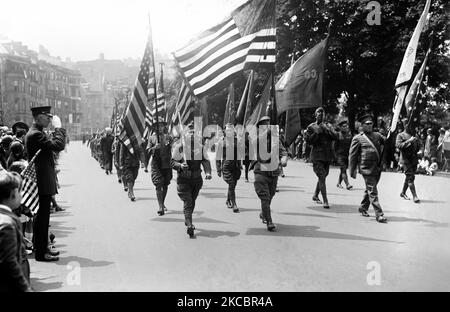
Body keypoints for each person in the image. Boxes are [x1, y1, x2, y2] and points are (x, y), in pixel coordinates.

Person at [25, 106, 66, 261]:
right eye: (47, 116)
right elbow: (58, 146)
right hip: (41, 181)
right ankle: (41, 253)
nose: (49, 119)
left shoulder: (38, 133)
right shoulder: (35, 134)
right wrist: (59, 128)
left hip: (43, 179)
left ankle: (42, 248)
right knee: (41, 219)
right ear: (39, 116)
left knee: (43, 218)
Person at [171, 121, 212, 238]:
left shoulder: (200, 147)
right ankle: (190, 225)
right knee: (188, 202)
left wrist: (208, 172)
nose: (192, 134)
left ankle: (187, 217)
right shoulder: (179, 147)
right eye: (190, 132)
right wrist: (180, 166)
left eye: (194, 132)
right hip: (184, 180)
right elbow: (172, 162)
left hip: (196, 180)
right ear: (185, 134)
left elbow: (205, 161)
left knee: (192, 201)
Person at [250, 116, 288, 231]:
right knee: (265, 197)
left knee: (271, 194)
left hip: (273, 171)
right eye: (264, 123)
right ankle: (269, 221)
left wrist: (284, 158)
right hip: (260, 170)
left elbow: (283, 150)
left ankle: (264, 212)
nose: (267, 124)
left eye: (268, 122)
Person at [349, 113, 387, 223]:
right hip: (366, 168)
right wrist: (352, 170)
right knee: (373, 191)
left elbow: (387, 141)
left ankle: (363, 207)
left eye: (371, 123)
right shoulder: (358, 138)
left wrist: (390, 131)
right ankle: (379, 214)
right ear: (362, 125)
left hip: (377, 167)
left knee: (370, 189)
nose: (369, 125)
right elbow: (352, 155)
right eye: (367, 124)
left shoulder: (377, 135)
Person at [0, 171, 32, 292]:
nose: (21, 195)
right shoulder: (7, 224)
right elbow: (10, 263)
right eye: (20, 191)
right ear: (13, 194)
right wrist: (25, 288)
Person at [304, 107, 338, 209]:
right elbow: (308, 141)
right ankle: (325, 201)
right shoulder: (311, 127)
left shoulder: (328, 126)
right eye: (319, 113)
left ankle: (315, 195)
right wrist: (316, 133)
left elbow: (336, 136)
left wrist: (327, 130)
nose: (321, 115)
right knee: (322, 176)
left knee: (324, 175)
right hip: (317, 156)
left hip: (327, 156)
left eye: (322, 114)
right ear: (315, 115)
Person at [146, 121, 173, 215]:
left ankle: (163, 202)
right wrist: (154, 148)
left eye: (161, 126)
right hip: (156, 164)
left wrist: (173, 146)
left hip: (166, 164)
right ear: (155, 128)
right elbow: (147, 151)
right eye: (158, 126)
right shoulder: (151, 138)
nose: (160, 128)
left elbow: (174, 149)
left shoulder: (168, 137)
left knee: (165, 184)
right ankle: (160, 206)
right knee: (158, 184)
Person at [216, 123, 241, 213]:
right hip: (226, 166)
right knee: (231, 183)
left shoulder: (237, 141)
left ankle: (228, 200)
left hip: (235, 166)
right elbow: (218, 156)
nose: (229, 132)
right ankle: (234, 204)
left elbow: (239, 155)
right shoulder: (221, 142)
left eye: (231, 130)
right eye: (227, 130)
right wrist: (218, 169)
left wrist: (240, 164)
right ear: (225, 131)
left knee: (233, 185)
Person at [396, 122, 422, 203]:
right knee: (410, 177)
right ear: (406, 126)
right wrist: (409, 141)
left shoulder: (414, 135)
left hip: (414, 159)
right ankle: (415, 196)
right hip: (405, 159)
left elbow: (420, 144)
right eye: (410, 126)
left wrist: (421, 150)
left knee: (410, 177)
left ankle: (403, 193)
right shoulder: (400, 135)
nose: (412, 128)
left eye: (412, 126)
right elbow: (399, 146)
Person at [334, 118, 353, 190]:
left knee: (343, 170)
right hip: (340, 156)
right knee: (343, 169)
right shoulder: (337, 135)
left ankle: (338, 183)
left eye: (346, 126)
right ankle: (347, 184)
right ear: (340, 127)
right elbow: (334, 146)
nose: (345, 127)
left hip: (347, 156)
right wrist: (335, 156)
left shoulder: (349, 135)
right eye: (343, 126)